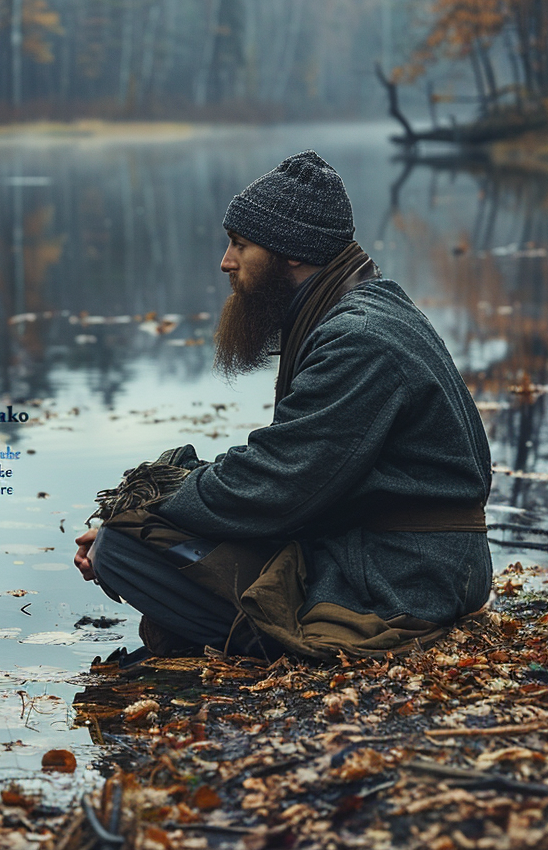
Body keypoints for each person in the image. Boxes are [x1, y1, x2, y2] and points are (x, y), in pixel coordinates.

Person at [73, 150, 493, 661]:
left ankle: (264, 642)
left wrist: (143, 508)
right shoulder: (356, 310)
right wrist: (158, 505)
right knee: (137, 533)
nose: (226, 261)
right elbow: (290, 472)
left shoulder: (358, 339)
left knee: (122, 550)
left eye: (239, 244)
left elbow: (277, 485)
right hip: (386, 556)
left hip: (403, 578)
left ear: (291, 253)